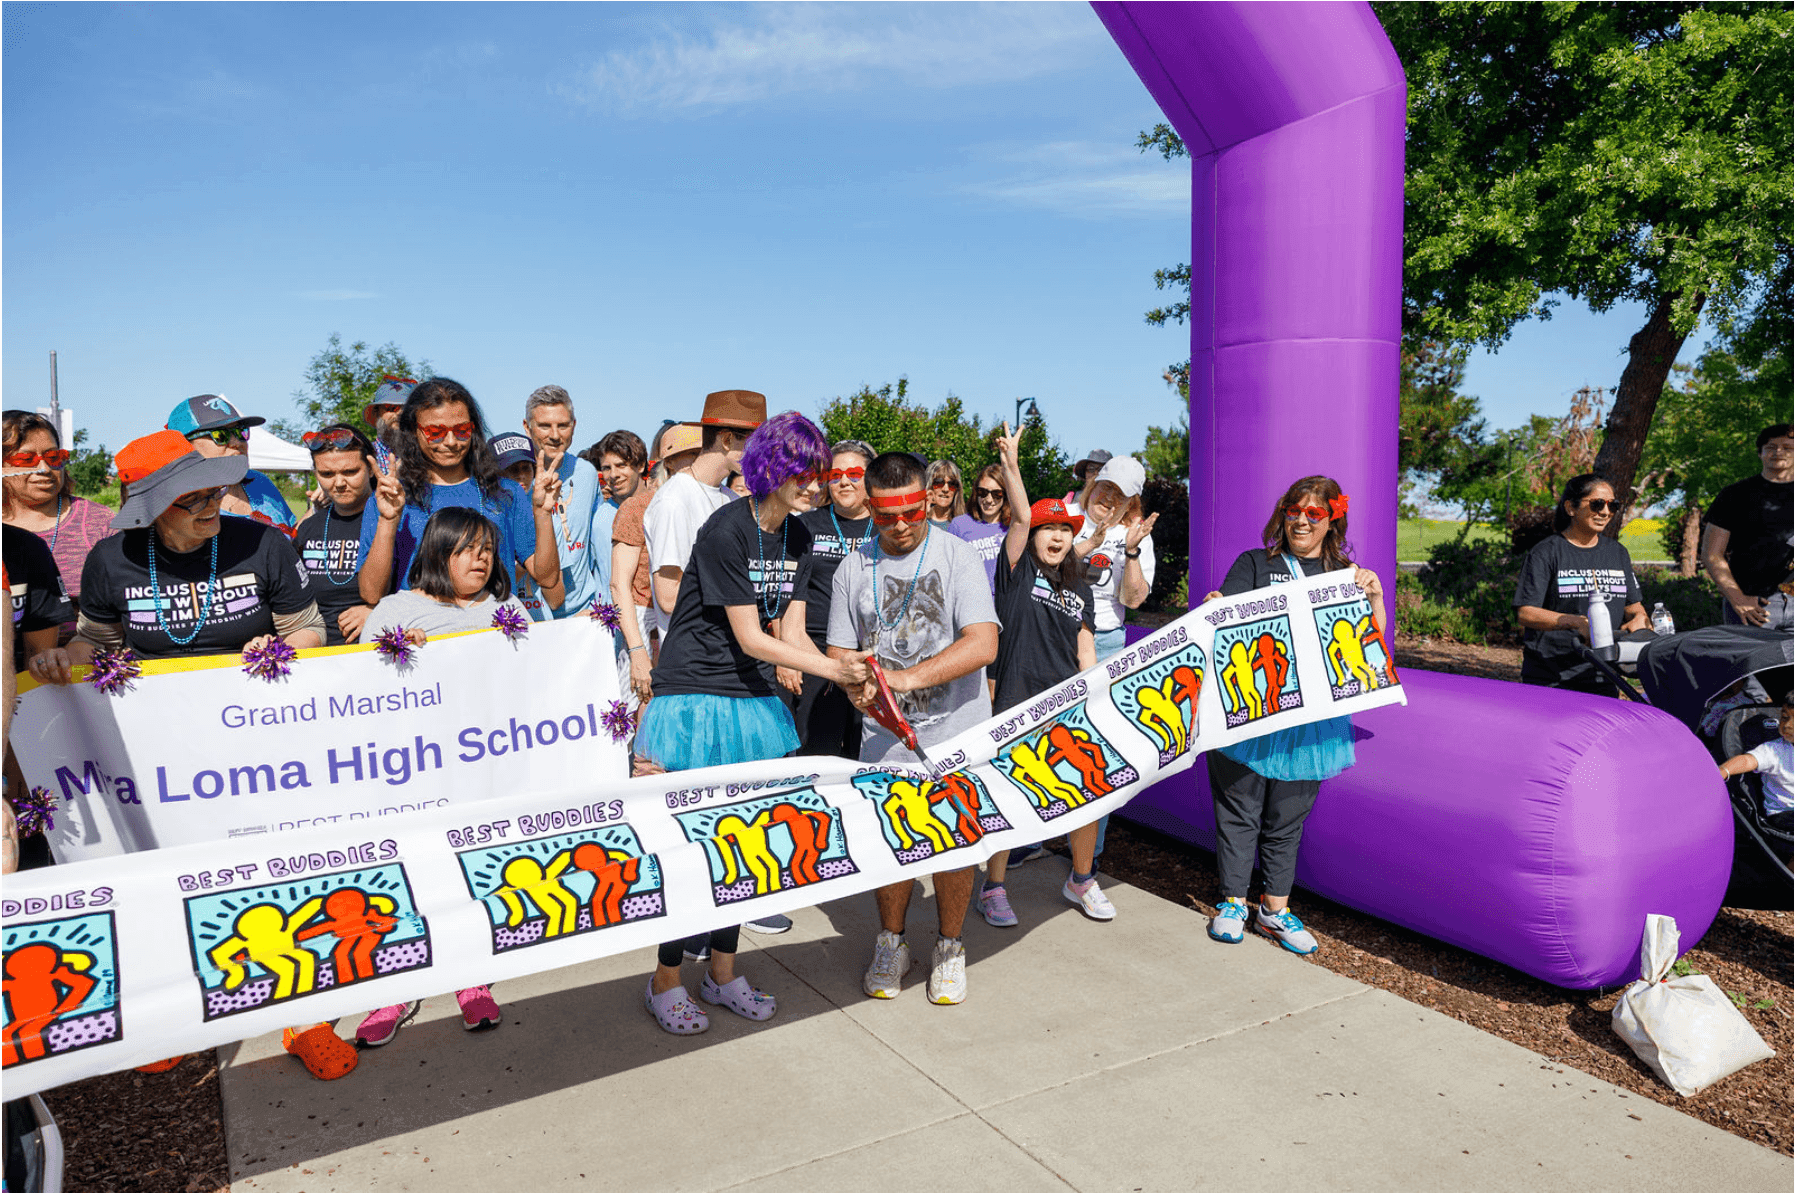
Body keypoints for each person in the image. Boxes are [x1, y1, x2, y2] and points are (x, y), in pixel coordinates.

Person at [27, 430, 337, 1076]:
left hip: (258, 746)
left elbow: (310, 628)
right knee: (164, 883)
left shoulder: (263, 543)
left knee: (270, 872)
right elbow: (97, 641)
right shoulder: (112, 560)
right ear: (146, 507)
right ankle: (177, 1014)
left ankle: (302, 1015)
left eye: (213, 489)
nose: (210, 504)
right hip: (156, 760)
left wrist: (283, 649)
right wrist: (64, 657)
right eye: (189, 497)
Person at [634, 412, 871, 1035]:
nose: (817, 486)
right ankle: (664, 981)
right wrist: (835, 670)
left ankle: (721, 973)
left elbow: (787, 630)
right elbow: (749, 635)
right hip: (695, 698)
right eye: (805, 473)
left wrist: (836, 665)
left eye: (821, 474)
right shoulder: (725, 530)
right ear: (771, 468)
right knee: (690, 849)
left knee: (743, 847)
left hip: (752, 701)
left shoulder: (798, 537)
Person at [827, 451, 1000, 1005]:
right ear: (869, 507)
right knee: (890, 846)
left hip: (957, 733)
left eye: (910, 512)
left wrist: (905, 679)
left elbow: (983, 642)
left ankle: (949, 946)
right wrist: (856, 679)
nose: (899, 526)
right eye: (884, 516)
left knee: (953, 850)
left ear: (928, 499)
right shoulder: (854, 566)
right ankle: (892, 941)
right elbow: (838, 649)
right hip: (884, 740)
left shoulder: (958, 557)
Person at [352, 507, 527, 1047]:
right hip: (412, 774)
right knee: (409, 875)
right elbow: (358, 694)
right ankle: (396, 987)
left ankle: (469, 977)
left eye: (488, 550)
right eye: (468, 549)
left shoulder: (508, 609)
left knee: (474, 875)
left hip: (484, 770)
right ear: (438, 551)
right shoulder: (395, 611)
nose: (482, 560)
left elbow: (534, 684)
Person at [1200, 475, 1385, 956]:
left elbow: (1372, 645)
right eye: (1294, 511)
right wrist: (1216, 607)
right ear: (1283, 513)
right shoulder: (1255, 563)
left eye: (1315, 514)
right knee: (1239, 811)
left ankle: (1274, 911)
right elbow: (1225, 616)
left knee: (1287, 818)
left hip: (1311, 721)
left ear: (1331, 521)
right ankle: (1234, 904)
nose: (1302, 520)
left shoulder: (1346, 573)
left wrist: (1375, 597)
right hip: (1250, 713)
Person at [976, 424, 1108, 929]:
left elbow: (1085, 646)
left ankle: (1080, 880)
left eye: (1065, 530)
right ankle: (993, 887)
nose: (1056, 536)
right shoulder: (1016, 571)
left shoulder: (1079, 585)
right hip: (1014, 703)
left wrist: (1094, 697)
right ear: (1030, 536)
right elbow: (1022, 513)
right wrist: (1011, 464)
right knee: (1007, 800)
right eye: (1047, 529)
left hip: (1067, 705)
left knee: (1086, 794)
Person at [356, 377, 561, 612]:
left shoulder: (506, 493)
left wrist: (543, 514)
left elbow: (548, 578)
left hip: (493, 637)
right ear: (413, 432)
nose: (451, 442)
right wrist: (388, 521)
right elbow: (371, 593)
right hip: (422, 639)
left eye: (462, 430)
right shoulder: (391, 499)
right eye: (435, 432)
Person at [643, 392, 762, 642]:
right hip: (692, 661)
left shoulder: (732, 499)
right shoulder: (674, 500)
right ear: (727, 440)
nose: (759, 456)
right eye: (754, 445)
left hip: (728, 653)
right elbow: (667, 596)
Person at [1514, 473, 1649, 694]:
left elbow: (1634, 607)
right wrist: (1575, 622)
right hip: (1551, 678)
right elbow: (1526, 613)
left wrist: (1639, 620)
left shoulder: (1617, 553)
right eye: (1597, 504)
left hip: (1603, 675)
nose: (1605, 512)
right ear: (1571, 508)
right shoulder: (1546, 552)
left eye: (1612, 505)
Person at [784, 439, 876, 758]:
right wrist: (787, 655)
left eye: (853, 473)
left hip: (872, 657)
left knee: (864, 755)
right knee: (814, 755)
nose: (844, 481)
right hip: (815, 654)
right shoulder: (803, 525)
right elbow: (783, 595)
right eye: (835, 475)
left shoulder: (889, 527)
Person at [2, 410, 114, 636]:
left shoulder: (99, 523)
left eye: (53, 457)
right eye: (26, 460)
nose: (44, 469)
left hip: (87, 660)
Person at [612, 423, 699, 705]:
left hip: (694, 635)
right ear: (669, 462)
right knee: (644, 723)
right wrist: (638, 654)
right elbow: (619, 585)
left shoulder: (718, 504)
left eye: (702, 452)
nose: (699, 461)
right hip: (646, 632)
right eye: (691, 454)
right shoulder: (638, 507)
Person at [521, 385, 609, 618]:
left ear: (574, 425)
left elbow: (596, 544)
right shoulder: (515, 479)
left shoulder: (587, 473)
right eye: (544, 426)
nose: (555, 435)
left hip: (584, 613)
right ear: (527, 427)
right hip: (530, 617)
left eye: (562, 425)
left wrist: (598, 603)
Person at [292, 425, 378, 646]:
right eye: (327, 474)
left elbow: (423, 588)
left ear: (370, 468)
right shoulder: (308, 528)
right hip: (319, 657)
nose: (339, 483)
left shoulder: (394, 519)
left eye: (350, 472)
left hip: (383, 650)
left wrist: (379, 611)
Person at [1703, 423, 1793, 629]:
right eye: (1771, 447)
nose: (1779, 452)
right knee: (1751, 662)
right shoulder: (1734, 495)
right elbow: (1712, 554)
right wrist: (1738, 599)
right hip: (1752, 606)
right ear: (1760, 453)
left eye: (1788, 447)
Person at [166, 395, 297, 536]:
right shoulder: (178, 509)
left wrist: (317, 509)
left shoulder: (259, 482)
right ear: (184, 446)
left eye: (240, 432)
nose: (238, 443)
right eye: (220, 435)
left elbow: (295, 537)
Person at [1074, 456, 1159, 661]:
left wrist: (1131, 552)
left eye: (1121, 494)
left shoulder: (1137, 537)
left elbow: (1133, 601)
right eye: (1107, 486)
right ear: (1093, 483)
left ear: (1131, 503)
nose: (1110, 497)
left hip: (1106, 641)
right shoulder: (1065, 516)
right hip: (1056, 632)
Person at [490, 432, 566, 621]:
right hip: (497, 619)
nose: (521, 477)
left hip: (538, 624)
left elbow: (556, 599)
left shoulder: (548, 522)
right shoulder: (487, 522)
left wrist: (532, 557)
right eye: (511, 470)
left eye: (527, 468)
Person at [1718, 698, 1793, 829]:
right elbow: (1747, 760)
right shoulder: (1773, 750)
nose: (1787, 725)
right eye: (1785, 717)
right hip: (1783, 814)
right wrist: (1723, 771)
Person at [948, 462, 1009, 591]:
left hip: (1004, 605)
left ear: (1006, 495)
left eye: (996, 494)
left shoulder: (1012, 527)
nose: (988, 500)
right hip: (971, 602)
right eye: (983, 492)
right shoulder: (960, 525)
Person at [595, 429, 647, 510]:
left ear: (640, 466)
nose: (613, 474)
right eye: (606, 468)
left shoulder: (663, 506)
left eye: (621, 465)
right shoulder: (601, 517)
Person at [362, 376, 418, 446]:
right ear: (377, 414)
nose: (399, 413)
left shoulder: (427, 453)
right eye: (391, 408)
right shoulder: (366, 453)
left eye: (406, 409)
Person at [1064, 448, 1112, 515]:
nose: (1095, 473)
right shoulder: (1071, 498)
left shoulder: (1118, 501)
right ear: (1085, 474)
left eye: (1101, 469)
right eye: (1091, 469)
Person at [924, 459, 965, 526]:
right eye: (939, 483)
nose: (945, 489)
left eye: (952, 484)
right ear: (929, 485)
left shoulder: (963, 525)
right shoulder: (917, 522)